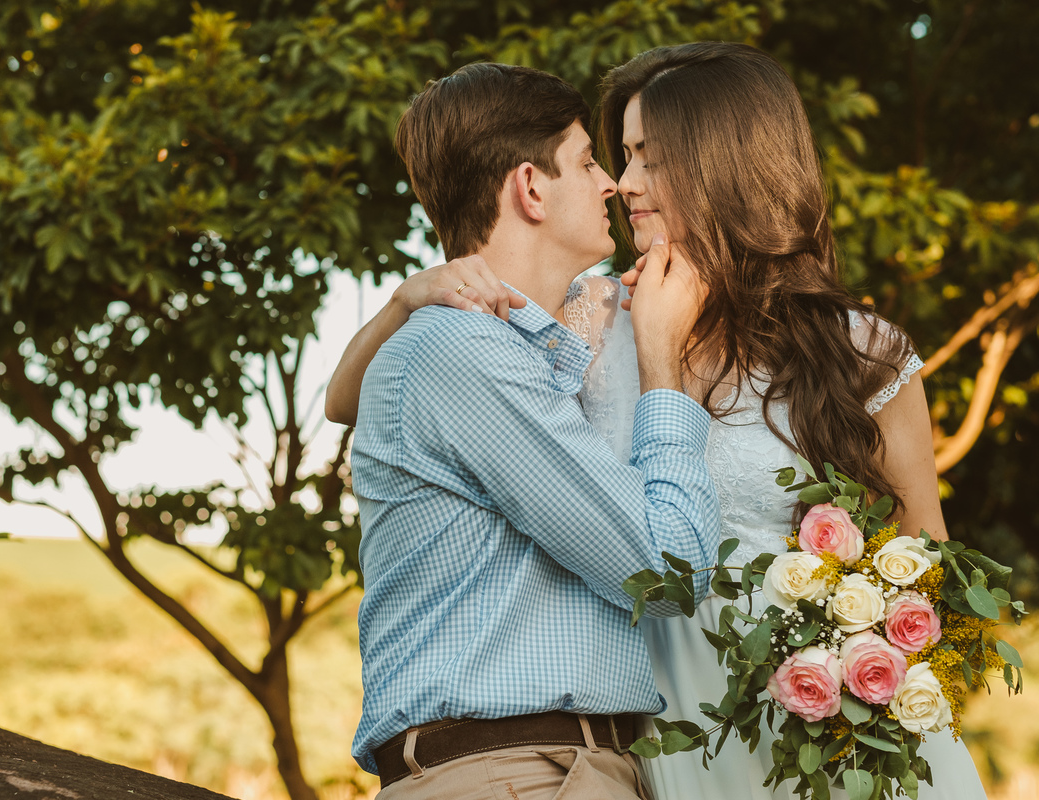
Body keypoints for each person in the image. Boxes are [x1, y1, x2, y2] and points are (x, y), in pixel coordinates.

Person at [330, 44, 988, 800]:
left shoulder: (860, 351)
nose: (625, 184)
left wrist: (869, 673)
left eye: (652, 157)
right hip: (672, 737)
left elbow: (930, 564)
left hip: (836, 734)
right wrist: (409, 298)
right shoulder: (590, 316)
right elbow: (359, 402)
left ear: (726, 165)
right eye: (619, 156)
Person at [342, 61, 721, 799]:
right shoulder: (465, 354)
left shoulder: (496, 346)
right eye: (587, 160)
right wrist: (663, 367)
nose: (612, 182)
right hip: (519, 777)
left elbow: (340, 400)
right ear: (530, 187)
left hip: (547, 772)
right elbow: (669, 573)